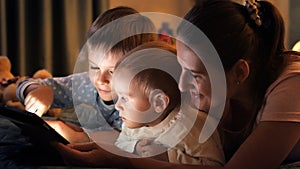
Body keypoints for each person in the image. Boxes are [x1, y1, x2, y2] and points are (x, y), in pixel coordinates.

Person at [54, 0, 300, 168]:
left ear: (239, 72)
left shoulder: (291, 85)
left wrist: (121, 161)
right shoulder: (202, 90)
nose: (182, 84)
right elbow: (171, 148)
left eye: (194, 74)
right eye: (180, 67)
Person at [16, 6, 157, 143]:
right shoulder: (84, 85)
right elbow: (23, 84)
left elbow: (133, 141)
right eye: (95, 67)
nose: (101, 80)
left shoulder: (146, 101)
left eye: (113, 72)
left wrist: (81, 137)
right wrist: (38, 90)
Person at [112, 41, 224, 165]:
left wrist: (169, 157)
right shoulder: (132, 122)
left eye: (125, 98)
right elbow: (119, 144)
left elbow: (214, 164)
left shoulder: (191, 126)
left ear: (159, 103)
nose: (117, 106)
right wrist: (135, 147)